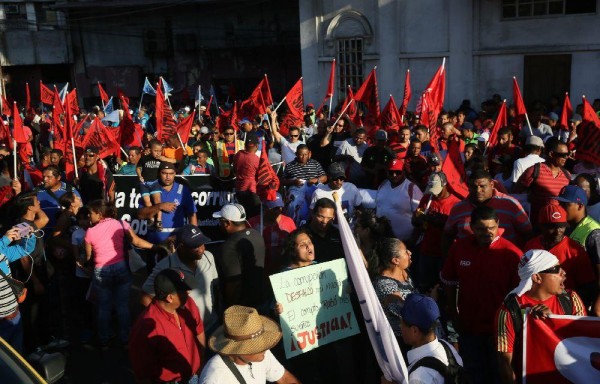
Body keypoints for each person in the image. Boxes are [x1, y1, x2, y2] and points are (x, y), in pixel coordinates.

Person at [441, 206, 522, 384]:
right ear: (471, 226)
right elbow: (449, 282)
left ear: (498, 225)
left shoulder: (512, 254)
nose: (487, 233)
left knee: (498, 377)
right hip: (469, 328)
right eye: (480, 229)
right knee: (473, 376)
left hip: (501, 333)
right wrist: (454, 316)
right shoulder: (459, 248)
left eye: (491, 228)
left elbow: (522, 296)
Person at [495, 250, 587, 384]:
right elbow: (505, 360)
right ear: (537, 278)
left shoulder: (571, 299)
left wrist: (552, 321)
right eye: (556, 269)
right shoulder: (510, 310)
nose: (563, 273)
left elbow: (582, 343)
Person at [84, 199, 163, 349]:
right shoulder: (121, 224)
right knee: (122, 306)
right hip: (121, 268)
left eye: (90, 214)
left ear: (99, 214)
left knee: (104, 307)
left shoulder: (90, 232)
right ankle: (126, 338)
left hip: (101, 270)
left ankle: (104, 339)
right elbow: (137, 242)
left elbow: (89, 257)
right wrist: (156, 247)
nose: (89, 217)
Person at [141, 224, 221, 337]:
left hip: (212, 326)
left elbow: (215, 288)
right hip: (185, 333)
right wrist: (167, 323)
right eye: (195, 246)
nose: (202, 249)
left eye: (202, 243)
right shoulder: (165, 266)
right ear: (182, 246)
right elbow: (146, 296)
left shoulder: (208, 257)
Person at [130, 268, 206, 384]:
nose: (189, 292)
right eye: (183, 290)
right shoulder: (145, 327)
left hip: (196, 376)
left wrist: (201, 367)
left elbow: (199, 331)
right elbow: (142, 374)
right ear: (170, 298)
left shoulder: (188, 303)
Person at [199, 305, 299, 384]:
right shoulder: (215, 378)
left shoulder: (262, 353)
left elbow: (284, 378)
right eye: (256, 346)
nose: (265, 347)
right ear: (238, 349)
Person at [443, 169, 532, 252]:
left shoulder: (510, 204)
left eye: (483, 186)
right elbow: (448, 235)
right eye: (474, 187)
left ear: (492, 185)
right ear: (468, 187)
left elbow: (527, 233)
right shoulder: (458, 209)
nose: (478, 190)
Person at [523, 204, 596, 304]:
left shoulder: (575, 250)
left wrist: (566, 304)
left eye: (562, 226)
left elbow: (588, 287)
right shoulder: (531, 246)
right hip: (532, 305)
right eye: (552, 227)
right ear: (541, 226)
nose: (558, 231)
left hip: (564, 308)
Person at [554, 185, 600, 316]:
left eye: (565, 205)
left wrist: (597, 305)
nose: (560, 208)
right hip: (568, 295)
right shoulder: (566, 227)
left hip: (587, 300)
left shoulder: (594, 233)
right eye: (560, 203)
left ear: (580, 206)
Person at [399, 294, 463, 384]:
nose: (400, 327)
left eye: (402, 323)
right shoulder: (447, 346)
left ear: (414, 330)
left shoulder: (419, 377)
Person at [213, 203, 267, 309]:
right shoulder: (256, 234)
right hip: (262, 298)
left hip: (244, 308)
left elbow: (234, 284)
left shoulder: (228, 246)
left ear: (227, 223)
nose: (219, 224)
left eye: (220, 221)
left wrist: (230, 309)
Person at [412, 172, 460, 291]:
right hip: (426, 251)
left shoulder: (456, 204)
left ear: (445, 185)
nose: (434, 194)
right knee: (424, 286)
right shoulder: (427, 198)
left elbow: (458, 231)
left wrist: (441, 222)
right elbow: (416, 220)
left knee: (442, 288)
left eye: (437, 190)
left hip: (444, 254)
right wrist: (418, 220)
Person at [138, 162, 198, 246]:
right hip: (154, 243)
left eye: (171, 173)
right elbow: (140, 215)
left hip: (177, 241)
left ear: (175, 174)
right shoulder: (150, 188)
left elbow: (192, 215)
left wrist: (195, 238)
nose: (168, 177)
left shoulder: (183, 189)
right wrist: (160, 206)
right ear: (159, 173)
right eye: (164, 173)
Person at [514, 139, 571, 226]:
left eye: (567, 154)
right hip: (537, 224)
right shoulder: (534, 170)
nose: (566, 157)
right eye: (563, 155)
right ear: (551, 154)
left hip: (559, 225)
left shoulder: (567, 175)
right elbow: (517, 191)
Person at [0, 226, 37, 352]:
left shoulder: (2, 253)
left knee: (18, 358)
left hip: (15, 317)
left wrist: (29, 236)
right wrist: (4, 241)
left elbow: (25, 250)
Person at [372, 238, 417, 338]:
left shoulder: (405, 272)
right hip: (400, 339)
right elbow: (403, 312)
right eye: (405, 251)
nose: (410, 252)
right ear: (395, 260)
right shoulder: (384, 284)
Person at [375, 159, 423, 242]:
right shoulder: (383, 185)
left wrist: (414, 239)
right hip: (382, 238)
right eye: (391, 172)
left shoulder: (412, 189)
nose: (394, 175)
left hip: (404, 242)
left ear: (403, 172)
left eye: (398, 172)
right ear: (386, 172)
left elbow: (420, 217)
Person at [248, 193, 296, 275]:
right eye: (274, 208)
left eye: (280, 207)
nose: (278, 211)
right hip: (260, 270)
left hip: (282, 270)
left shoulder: (289, 222)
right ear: (264, 208)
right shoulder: (253, 223)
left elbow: (295, 244)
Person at [282, 144, 327, 223]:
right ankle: (292, 224)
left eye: (305, 154)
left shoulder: (315, 164)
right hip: (296, 188)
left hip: (312, 187)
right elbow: (282, 181)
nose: (303, 157)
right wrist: (293, 182)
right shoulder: (290, 165)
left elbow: (325, 178)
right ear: (296, 154)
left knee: (320, 201)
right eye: (301, 154)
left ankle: (316, 222)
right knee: (292, 204)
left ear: (309, 153)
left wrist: (316, 179)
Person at [36, 165, 81, 236]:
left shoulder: (70, 191)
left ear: (58, 177)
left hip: (64, 237)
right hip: (42, 236)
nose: (45, 179)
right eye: (44, 176)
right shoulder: (36, 191)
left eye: (49, 177)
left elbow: (79, 212)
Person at [302, 197, 344, 262]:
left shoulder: (337, 234)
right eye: (321, 217)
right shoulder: (301, 235)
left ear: (333, 217)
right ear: (313, 214)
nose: (325, 221)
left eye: (329, 218)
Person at [354, 210, 394, 277]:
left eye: (356, 226)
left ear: (366, 230)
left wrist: (358, 250)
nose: (353, 228)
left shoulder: (382, 250)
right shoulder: (357, 243)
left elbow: (368, 272)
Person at [233, 133, 261, 218]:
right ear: (256, 146)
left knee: (243, 216)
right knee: (255, 217)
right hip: (251, 190)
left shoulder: (238, 154)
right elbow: (260, 176)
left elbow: (234, 170)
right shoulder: (256, 159)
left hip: (239, 190)